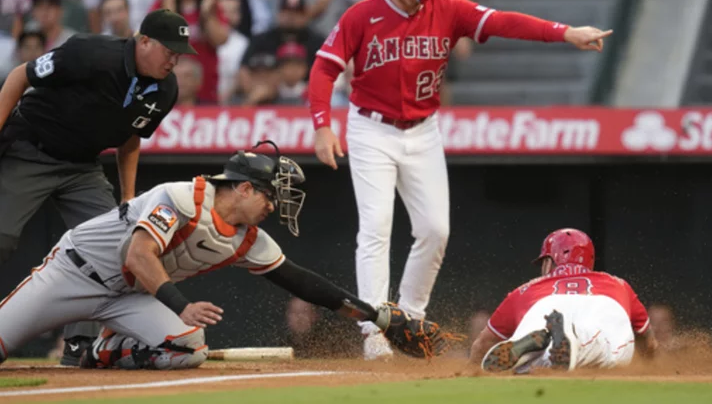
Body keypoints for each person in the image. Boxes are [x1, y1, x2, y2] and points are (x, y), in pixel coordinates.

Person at [307, 0, 614, 360]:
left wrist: (566, 34)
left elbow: (505, 22)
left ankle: (408, 320)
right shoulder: (363, 15)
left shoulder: (447, 10)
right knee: (375, 228)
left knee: (436, 231)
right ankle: (374, 330)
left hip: (424, 129)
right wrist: (323, 125)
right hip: (371, 129)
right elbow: (324, 68)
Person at [0, 144, 452, 369]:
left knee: (189, 349)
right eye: (271, 195)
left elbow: (304, 284)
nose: (275, 206)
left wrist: (376, 315)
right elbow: (140, 255)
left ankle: (105, 350)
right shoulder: (180, 196)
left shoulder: (248, 239)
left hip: (126, 299)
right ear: (244, 188)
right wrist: (181, 305)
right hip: (75, 274)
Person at [0, 8, 197, 366]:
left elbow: (131, 137)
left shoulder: (165, 89)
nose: (175, 59)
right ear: (144, 41)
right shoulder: (89, 53)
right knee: (2, 237)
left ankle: (78, 343)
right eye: (169, 49)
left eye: (180, 52)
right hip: (32, 147)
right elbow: (18, 76)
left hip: (82, 166)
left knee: (111, 249)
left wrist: (127, 195)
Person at [469, 228, 658, 373]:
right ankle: (572, 340)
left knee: (537, 363)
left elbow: (482, 345)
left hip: (543, 307)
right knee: (604, 348)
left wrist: (469, 373)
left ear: (551, 261)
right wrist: (650, 367)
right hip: (603, 305)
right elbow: (648, 343)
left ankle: (528, 349)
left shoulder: (525, 290)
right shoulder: (617, 284)